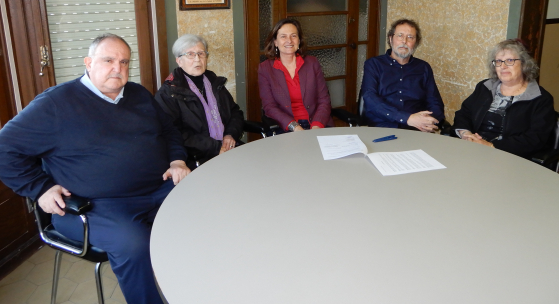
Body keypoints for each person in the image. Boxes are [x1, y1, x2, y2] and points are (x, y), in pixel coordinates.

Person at [0, 33, 190, 304]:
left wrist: (177, 161)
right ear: (88, 63)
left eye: (124, 62)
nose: (118, 68)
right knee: (133, 244)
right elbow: (4, 148)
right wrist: (39, 188)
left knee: (202, 209)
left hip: (156, 189)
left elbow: (169, 131)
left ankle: (197, 288)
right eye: (109, 60)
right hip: (94, 207)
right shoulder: (55, 104)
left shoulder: (138, 94)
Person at [452, 39, 555, 159]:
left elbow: (534, 139)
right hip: (473, 148)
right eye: (499, 61)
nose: (503, 66)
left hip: (509, 157)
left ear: (524, 64)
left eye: (510, 61)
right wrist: (466, 135)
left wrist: (490, 146)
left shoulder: (541, 99)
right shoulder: (485, 87)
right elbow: (464, 114)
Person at [155, 34, 244, 168]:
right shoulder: (169, 92)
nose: (197, 59)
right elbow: (174, 133)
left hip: (229, 147)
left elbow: (235, 112)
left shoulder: (214, 82)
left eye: (201, 53)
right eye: (190, 54)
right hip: (197, 158)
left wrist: (230, 135)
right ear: (179, 60)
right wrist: (215, 147)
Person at [361, 18, 444, 132]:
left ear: (416, 43)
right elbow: (370, 99)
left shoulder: (424, 67)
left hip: (416, 130)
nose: (404, 41)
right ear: (391, 39)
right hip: (382, 127)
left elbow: (435, 102)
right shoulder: (374, 64)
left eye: (410, 37)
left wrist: (428, 122)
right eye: (400, 35)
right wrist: (407, 118)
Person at [258, 18, 333, 132]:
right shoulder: (265, 68)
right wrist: (295, 127)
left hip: (316, 123)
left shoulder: (312, 63)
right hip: (286, 127)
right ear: (275, 42)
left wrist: (317, 125)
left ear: (299, 40)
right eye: (283, 36)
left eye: (293, 36)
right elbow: (269, 107)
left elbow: (324, 100)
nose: (289, 40)